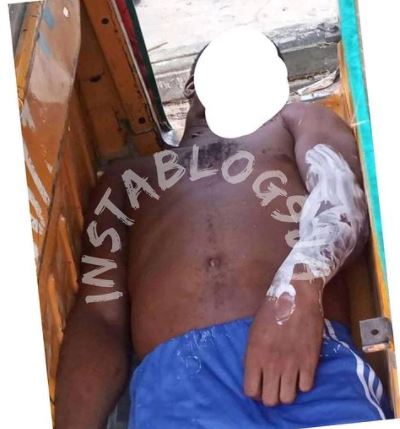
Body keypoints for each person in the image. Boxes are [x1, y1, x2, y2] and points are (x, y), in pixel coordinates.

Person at [55, 29, 391, 429]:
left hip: (303, 348)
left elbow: (340, 196)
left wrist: (297, 292)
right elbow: (100, 317)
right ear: (192, 85)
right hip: (175, 386)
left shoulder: (293, 121)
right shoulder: (124, 179)